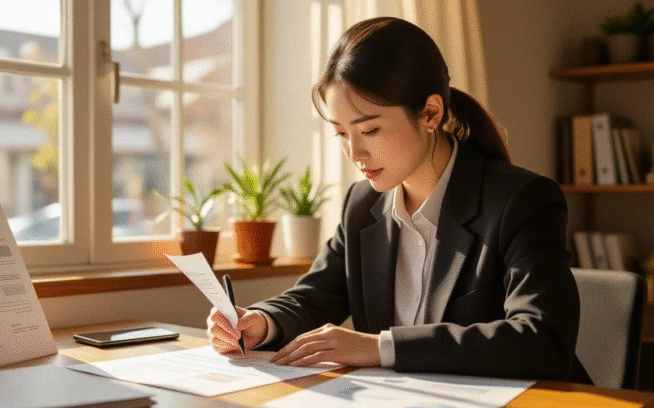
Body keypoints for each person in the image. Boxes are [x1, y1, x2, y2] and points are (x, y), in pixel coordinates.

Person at [207, 17, 591, 383]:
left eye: (369, 129)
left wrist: (381, 348)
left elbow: (541, 340)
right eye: (341, 133)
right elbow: (318, 294)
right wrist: (259, 321)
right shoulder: (362, 205)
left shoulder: (520, 201)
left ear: (430, 113)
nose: (354, 153)